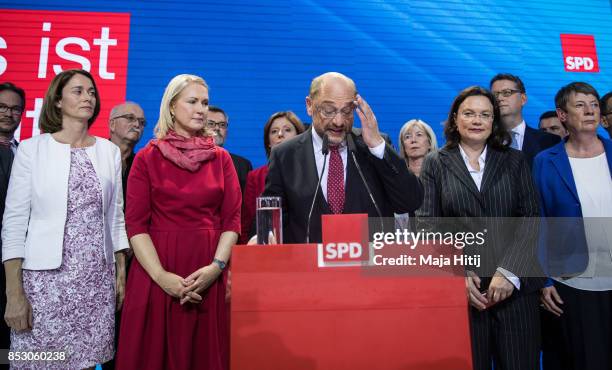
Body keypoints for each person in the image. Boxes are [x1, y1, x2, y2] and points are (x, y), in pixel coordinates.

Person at [2, 69, 129, 369]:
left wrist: (120, 273)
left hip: (96, 283)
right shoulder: (33, 150)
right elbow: (15, 222)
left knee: (88, 363)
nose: (88, 96)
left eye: (92, 92)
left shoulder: (109, 152)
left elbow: (115, 217)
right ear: (57, 101)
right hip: (43, 284)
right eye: (78, 91)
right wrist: (14, 293)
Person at [115, 74, 240, 370]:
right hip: (157, 272)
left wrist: (216, 268)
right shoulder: (147, 159)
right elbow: (135, 225)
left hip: (208, 272)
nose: (201, 109)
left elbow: (232, 221)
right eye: (192, 101)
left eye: (205, 103)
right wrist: (162, 278)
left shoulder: (222, 160)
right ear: (171, 107)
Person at [416, 86, 541, 370]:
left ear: (493, 121)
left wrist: (509, 272)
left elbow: (531, 218)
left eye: (485, 115)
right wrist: (456, 272)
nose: (477, 120)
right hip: (463, 294)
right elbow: (426, 224)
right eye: (469, 113)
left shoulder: (514, 160)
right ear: (455, 119)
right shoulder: (436, 162)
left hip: (515, 292)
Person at [262, 72, 423, 243]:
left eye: (347, 111)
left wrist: (377, 145)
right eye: (329, 110)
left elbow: (410, 201)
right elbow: (270, 220)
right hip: (308, 265)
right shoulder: (284, 155)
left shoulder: (372, 147)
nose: (339, 121)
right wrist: (266, 235)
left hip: (369, 263)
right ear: (309, 105)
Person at [534, 82, 612, 370]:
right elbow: (539, 221)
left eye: (594, 103)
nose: (590, 109)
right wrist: (544, 279)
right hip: (574, 280)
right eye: (580, 105)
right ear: (562, 115)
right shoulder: (545, 162)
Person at [103, 101, 145, 370]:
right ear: (111, 124)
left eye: (141, 122)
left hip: (133, 261)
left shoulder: (144, 163)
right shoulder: (92, 156)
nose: (136, 125)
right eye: (129, 118)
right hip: (94, 259)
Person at [240, 111, 305, 244]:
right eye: (274, 131)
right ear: (268, 142)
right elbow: (247, 223)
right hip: (268, 248)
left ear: (299, 136)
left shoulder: (312, 171)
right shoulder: (255, 176)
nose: (280, 134)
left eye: (287, 130)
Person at [0, 82, 25, 356]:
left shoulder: (25, 155)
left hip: (14, 263)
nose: (9, 113)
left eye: (16, 109)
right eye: (2, 107)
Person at [490, 73, 560, 166]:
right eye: (494, 95)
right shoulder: (484, 141)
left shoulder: (550, 141)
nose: (499, 98)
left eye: (507, 93)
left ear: (523, 99)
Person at [207, 105, 252, 194]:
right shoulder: (189, 162)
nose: (217, 128)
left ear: (226, 133)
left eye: (222, 125)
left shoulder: (243, 166)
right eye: (210, 124)